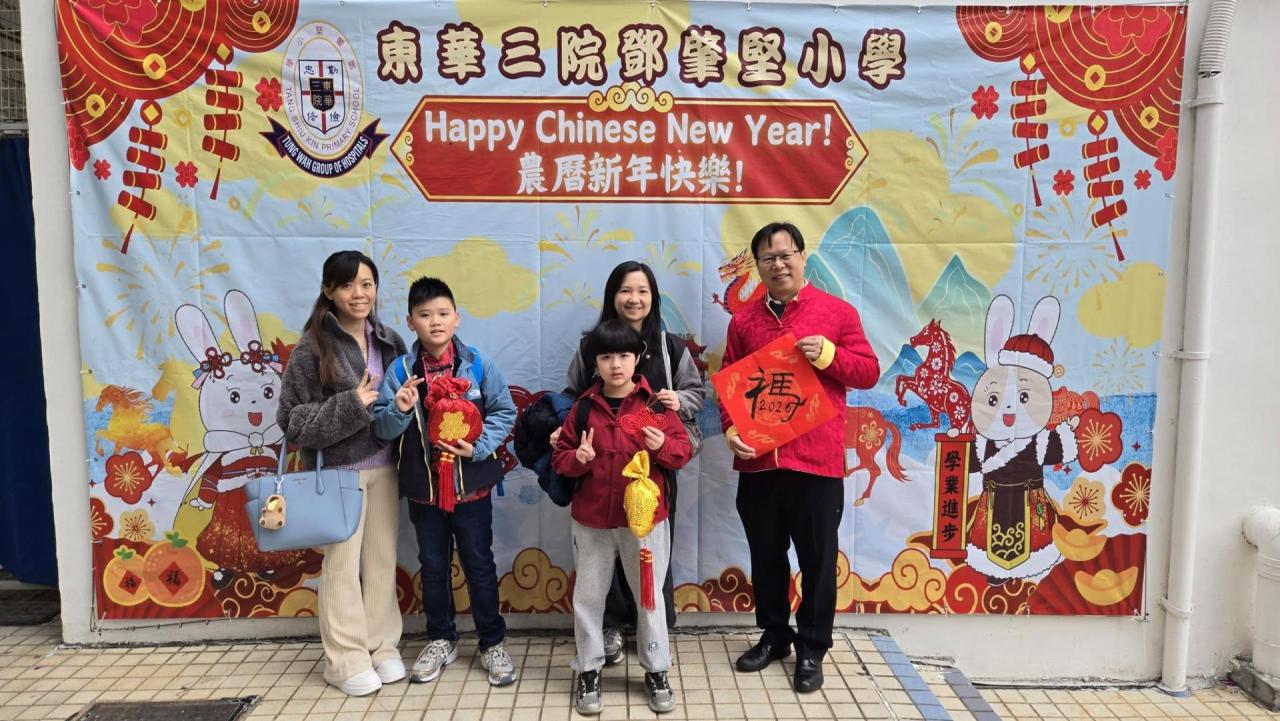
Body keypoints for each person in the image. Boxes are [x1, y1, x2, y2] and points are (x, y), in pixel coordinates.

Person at [720, 222, 880, 692]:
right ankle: (775, 636)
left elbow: (868, 371)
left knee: (817, 560)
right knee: (766, 557)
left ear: (802, 257)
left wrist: (830, 356)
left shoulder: (837, 313)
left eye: (786, 254)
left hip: (816, 463)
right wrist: (731, 428)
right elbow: (729, 382)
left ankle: (812, 646)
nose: (778, 264)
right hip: (760, 463)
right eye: (768, 258)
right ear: (758, 266)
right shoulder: (743, 321)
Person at [370, 277, 519, 687]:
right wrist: (400, 408)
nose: (434, 322)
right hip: (426, 492)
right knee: (433, 566)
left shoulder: (478, 364)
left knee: (479, 564)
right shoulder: (401, 371)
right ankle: (441, 639)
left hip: (472, 489)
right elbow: (382, 429)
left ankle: (491, 642)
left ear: (457, 318)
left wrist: (479, 446)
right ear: (410, 322)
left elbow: (505, 411)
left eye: (442, 313)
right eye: (424, 315)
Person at [278, 250, 408, 697]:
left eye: (367, 284)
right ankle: (345, 660)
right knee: (342, 567)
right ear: (328, 290)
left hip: (386, 469)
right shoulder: (312, 347)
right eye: (348, 285)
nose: (359, 293)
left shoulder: (390, 341)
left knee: (381, 563)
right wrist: (352, 404)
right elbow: (293, 422)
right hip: (337, 474)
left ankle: (381, 647)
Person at [561, 260, 704, 663]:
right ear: (612, 296)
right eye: (626, 290)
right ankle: (609, 629)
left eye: (643, 291)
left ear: (653, 297)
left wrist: (678, 400)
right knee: (600, 555)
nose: (634, 299)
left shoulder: (670, 347)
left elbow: (697, 394)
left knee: (649, 551)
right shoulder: (590, 346)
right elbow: (570, 397)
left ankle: (652, 639)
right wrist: (564, 433)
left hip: (654, 469)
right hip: (600, 470)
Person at [553, 319, 692, 716]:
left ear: (637, 359)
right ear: (595, 363)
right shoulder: (583, 408)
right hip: (592, 521)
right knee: (588, 598)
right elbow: (561, 459)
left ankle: (656, 669)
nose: (616, 364)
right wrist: (578, 459)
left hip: (644, 522)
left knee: (649, 598)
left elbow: (682, 452)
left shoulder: (655, 406)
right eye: (606, 356)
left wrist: (662, 445)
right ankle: (588, 669)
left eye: (624, 355)